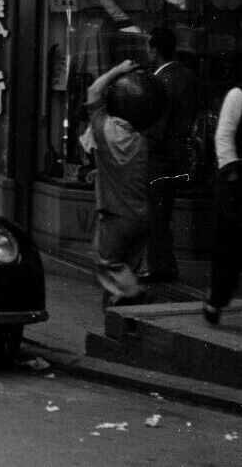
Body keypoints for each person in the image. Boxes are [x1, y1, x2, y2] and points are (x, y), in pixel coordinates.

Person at [83, 60, 166, 307]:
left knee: (107, 262)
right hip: (141, 215)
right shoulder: (142, 140)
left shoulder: (104, 130)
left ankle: (135, 292)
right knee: (128, 267)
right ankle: (122, 320)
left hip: (115, 214)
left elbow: (93, 91)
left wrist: (117, 70)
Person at [141, 27, 198, 284]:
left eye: (148, 48)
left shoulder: (159, 81)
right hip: (177, 155)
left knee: (156, 213)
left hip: (159, 157)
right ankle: (166, 263)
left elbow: (157, 126)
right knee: (165, 211)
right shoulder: (187, 76)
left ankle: (160, 266)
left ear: (155, 50)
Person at [203, 86, 242, 325]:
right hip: (235, 179)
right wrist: (232, 173)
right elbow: (224, 136)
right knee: (228, 242)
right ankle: (216, 299)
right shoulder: (238, 95)